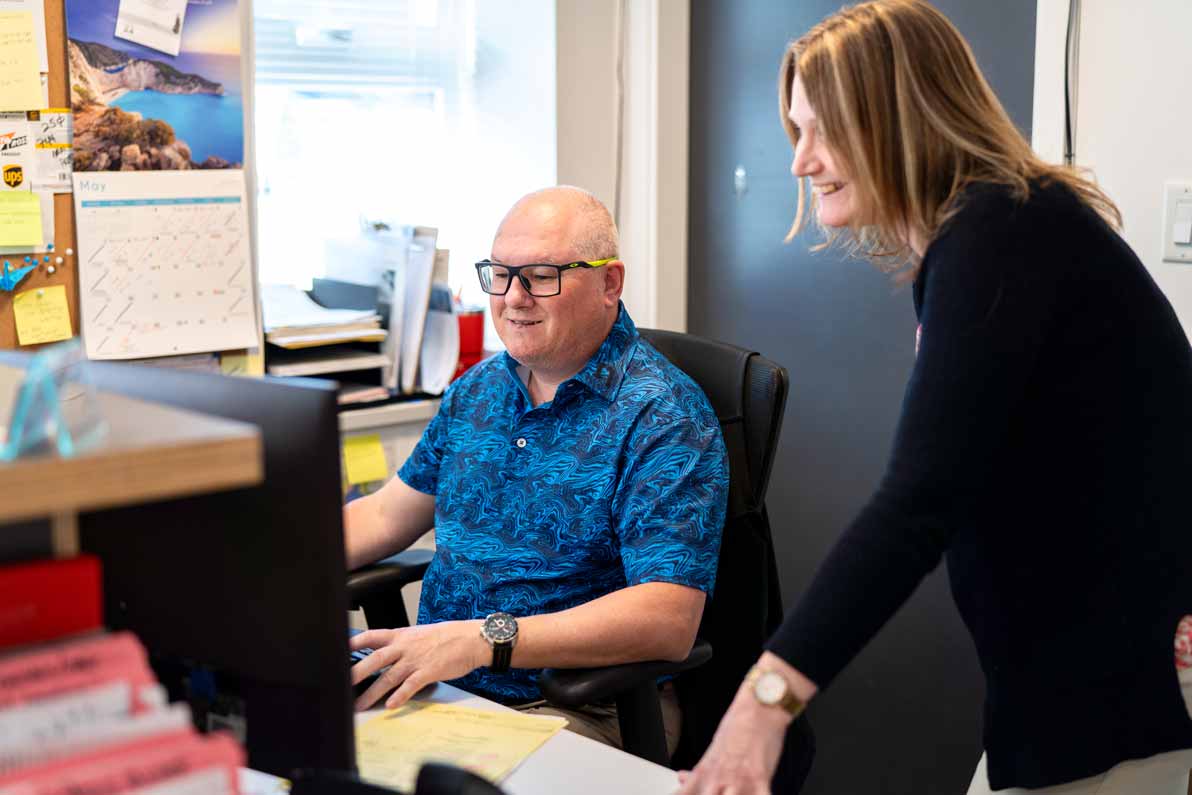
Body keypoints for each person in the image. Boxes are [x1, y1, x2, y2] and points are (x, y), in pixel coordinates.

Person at [677, 2, 1192, 793]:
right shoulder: (989, 232)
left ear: (894, 114)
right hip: (1064, 670)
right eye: (795, 131)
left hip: (1118, 677)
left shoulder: (1003, 234)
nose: (801, 161)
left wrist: (763, 701)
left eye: (821, 130)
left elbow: (919, 501)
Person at [345, 186, 728, 755]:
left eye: (541, 276)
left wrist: (482, 640)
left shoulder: (664, 416)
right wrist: (268, 564)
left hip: (583, 707)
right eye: (500, 275)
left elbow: (667, 619)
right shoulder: (479, 388)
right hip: (442, 688)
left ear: (610, 283)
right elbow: (386, 514)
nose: (513, 298)